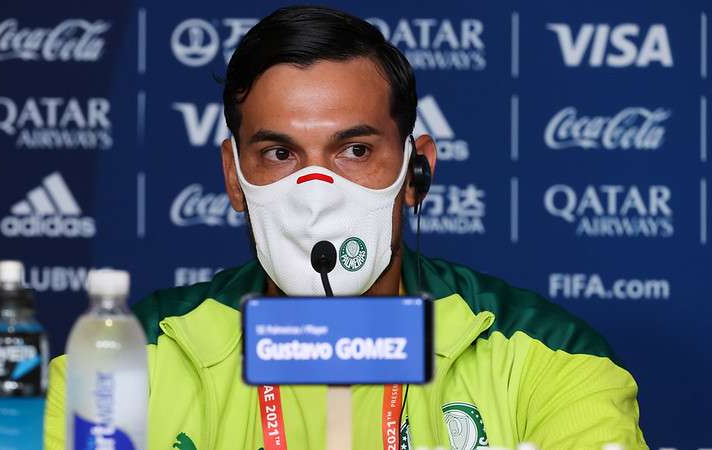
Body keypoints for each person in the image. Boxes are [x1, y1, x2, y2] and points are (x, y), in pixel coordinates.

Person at [45, 6, 647, 450]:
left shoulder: (548, 356)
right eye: (279, 154)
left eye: (353, 151)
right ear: (234, 177)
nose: (315, 194)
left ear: (417, 171)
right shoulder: (122, 362)